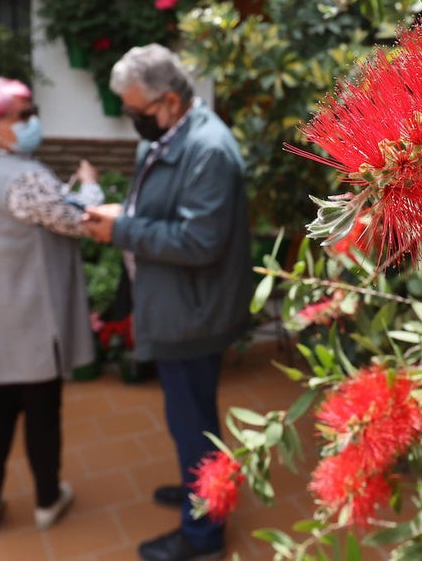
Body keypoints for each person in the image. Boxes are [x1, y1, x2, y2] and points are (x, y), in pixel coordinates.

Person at [83, 44, 252, 561]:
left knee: (193, 422)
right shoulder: (168, 135)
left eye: (137, 110)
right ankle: (198, 487)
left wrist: (122, 230)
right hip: (175, 302)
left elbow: (200, 242)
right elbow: (160, 210)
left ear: (171, 101)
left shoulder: (208, 149)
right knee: (189, 419)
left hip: (193, 312)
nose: (132, 118)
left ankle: (203, 535)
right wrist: (124, 215)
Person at [0, 75, 102, 538]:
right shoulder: (24, 177)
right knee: (42, 412)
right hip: (32, 321)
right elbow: (81, 221)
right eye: (22, 116)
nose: (32, 122)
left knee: (0, 407)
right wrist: (90, 187)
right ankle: (47, 500)